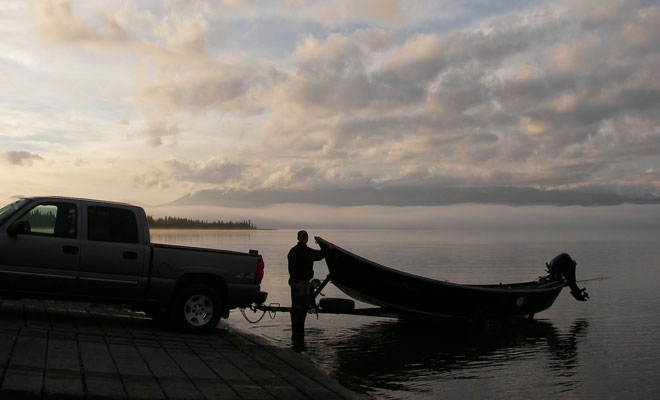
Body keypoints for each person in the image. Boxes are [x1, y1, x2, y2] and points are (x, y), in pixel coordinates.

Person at [287, 230, 332, 335]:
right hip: (297, 284)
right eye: (302, 237)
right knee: (296, 308)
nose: (304, 239)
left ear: (307, 239)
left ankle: (300, 334)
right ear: (298, 238)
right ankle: (295, 332)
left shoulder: (308, 251)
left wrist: (328, 249)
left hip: (306, 284)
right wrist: (295, 283)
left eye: (306, 237)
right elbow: (291, 269)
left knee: (303, 308)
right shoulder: (293, 251)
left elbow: (318, 255)